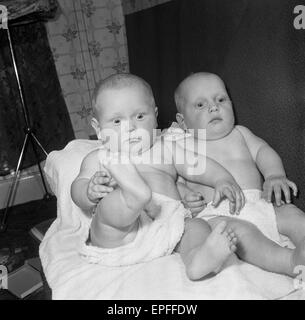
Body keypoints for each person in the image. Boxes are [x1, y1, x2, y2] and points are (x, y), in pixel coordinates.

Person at [71, 73, 244, 280]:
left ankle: (199, 259)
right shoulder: (99, 157)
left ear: (155, 116)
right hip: (121, 233)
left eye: (140, 116)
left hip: (168, 224)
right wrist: (88, 192)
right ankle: (132, 195)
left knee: (197, 227)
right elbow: (77, 189)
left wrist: (221, 179)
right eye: (117, 121)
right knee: (110, 208)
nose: (131, 127)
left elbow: (201, 165)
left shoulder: (166, 149)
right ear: (98, 129)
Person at [171, 71, 305, 277]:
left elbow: (263, 152)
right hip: (219, 213)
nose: (214, 107)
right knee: (242, 235)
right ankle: (288, 261)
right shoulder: (183, 147)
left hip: (261, 204)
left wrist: (274, 175)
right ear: (183, 122)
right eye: (200, 104)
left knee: (292, 215)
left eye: (221, 99)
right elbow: (173, 181)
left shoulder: (240, 133)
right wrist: (184, 197)